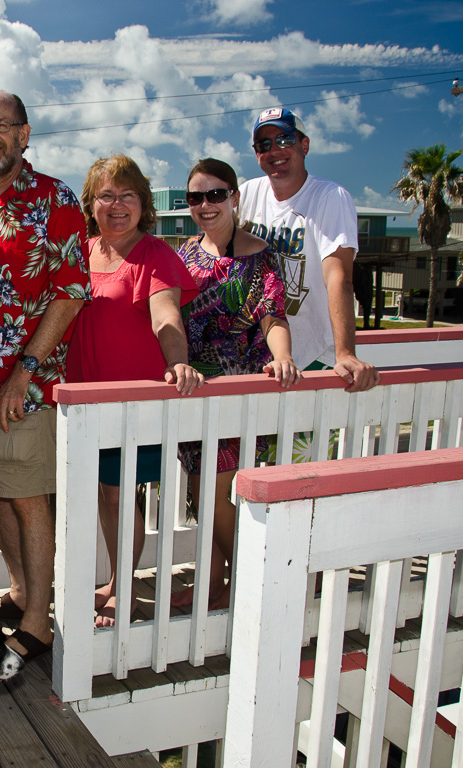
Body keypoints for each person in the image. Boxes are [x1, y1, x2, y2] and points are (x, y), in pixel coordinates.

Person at [0, 91, 90, 662]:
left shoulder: (53, 198)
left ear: (24, 134)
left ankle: (38, 622)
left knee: (28, 497)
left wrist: (25, 371)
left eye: (1, 126)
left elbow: (70, 291)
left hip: (24, 386)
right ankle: (20, 590)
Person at [64, 155, 201, 628]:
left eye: (128, 195)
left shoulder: (156, 255)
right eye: (107, 195)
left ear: (143, 203)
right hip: (82, 400)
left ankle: (123, 585)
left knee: (123, 496)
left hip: (132, 402)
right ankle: (117, 577)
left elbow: (167, 316)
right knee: (106, 494)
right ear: (91, 204)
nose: (117, 205)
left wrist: (177, 360)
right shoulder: (79, 250)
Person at [176, 158, 302, 610]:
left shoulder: (259, 253)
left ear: (234, 197)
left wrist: (284, 357)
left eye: (215, 194)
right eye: (195, 197)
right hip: (194, 390)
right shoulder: (182, 255)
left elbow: (272, 312)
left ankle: (251, 575)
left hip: (243, 389)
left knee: (214, 494)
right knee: (202, 489)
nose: (205, 204)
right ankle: (213, 583)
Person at [237, 107, 380, 393]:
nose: (274, 150)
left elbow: (338, 276)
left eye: (284, 139)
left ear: (304, 145)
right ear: (256, 154)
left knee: (306, 438)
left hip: (313, 358)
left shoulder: (329, 197)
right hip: (257, 356)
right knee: (257, 438)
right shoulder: (248, 193)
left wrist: (346, 354)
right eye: (264, 144)